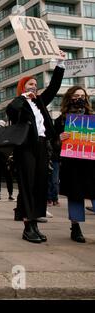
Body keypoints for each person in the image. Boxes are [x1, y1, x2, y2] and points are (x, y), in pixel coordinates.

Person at [6, 50, 66, 244]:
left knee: (40, 184)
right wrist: (24, 98)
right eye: (30, 84)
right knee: (27, 185)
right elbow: (11, 110)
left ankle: (35, 224)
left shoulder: (40, 103)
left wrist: (59, 63)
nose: (34, 87)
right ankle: (27, 226)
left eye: (35, 85)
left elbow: (54, 87)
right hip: (25, 147)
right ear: (23, 87)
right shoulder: (20, 103)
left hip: (41, 146)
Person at [54, 86, 95, 243]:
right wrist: (60, 138)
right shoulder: (62, 120)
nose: (79, 98)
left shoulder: (92, 116)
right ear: (69, 97)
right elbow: (53, 144)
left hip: (91, 164)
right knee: (75, 196)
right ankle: (75, 227)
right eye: (76, 95)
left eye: (82, 95)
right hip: (72, 165)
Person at [0, 119, 15, 202]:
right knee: (1, 177)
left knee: (6, 177)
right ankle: (1, 194)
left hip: (4, 158)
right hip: (0, 158)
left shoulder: (5, 135)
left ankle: (7, 194)